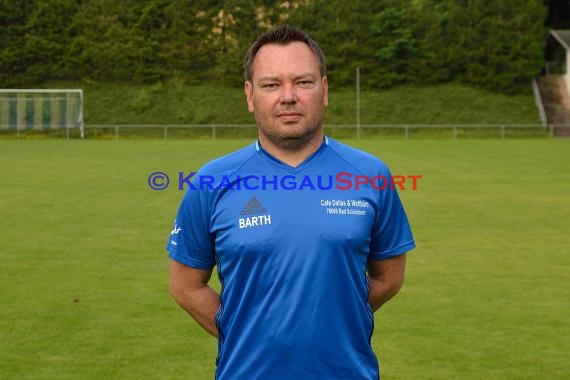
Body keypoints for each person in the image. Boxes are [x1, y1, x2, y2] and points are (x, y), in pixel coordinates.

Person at [167, 25, 415, 380]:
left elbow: (389, 277)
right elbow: (185, 285)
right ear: (250, 96)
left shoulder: (370, 174)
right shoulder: (211, 180)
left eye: (303, 82)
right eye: (271, 85)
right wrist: (247, 331)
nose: (288, 96)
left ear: (324, 90)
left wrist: (335, 319)